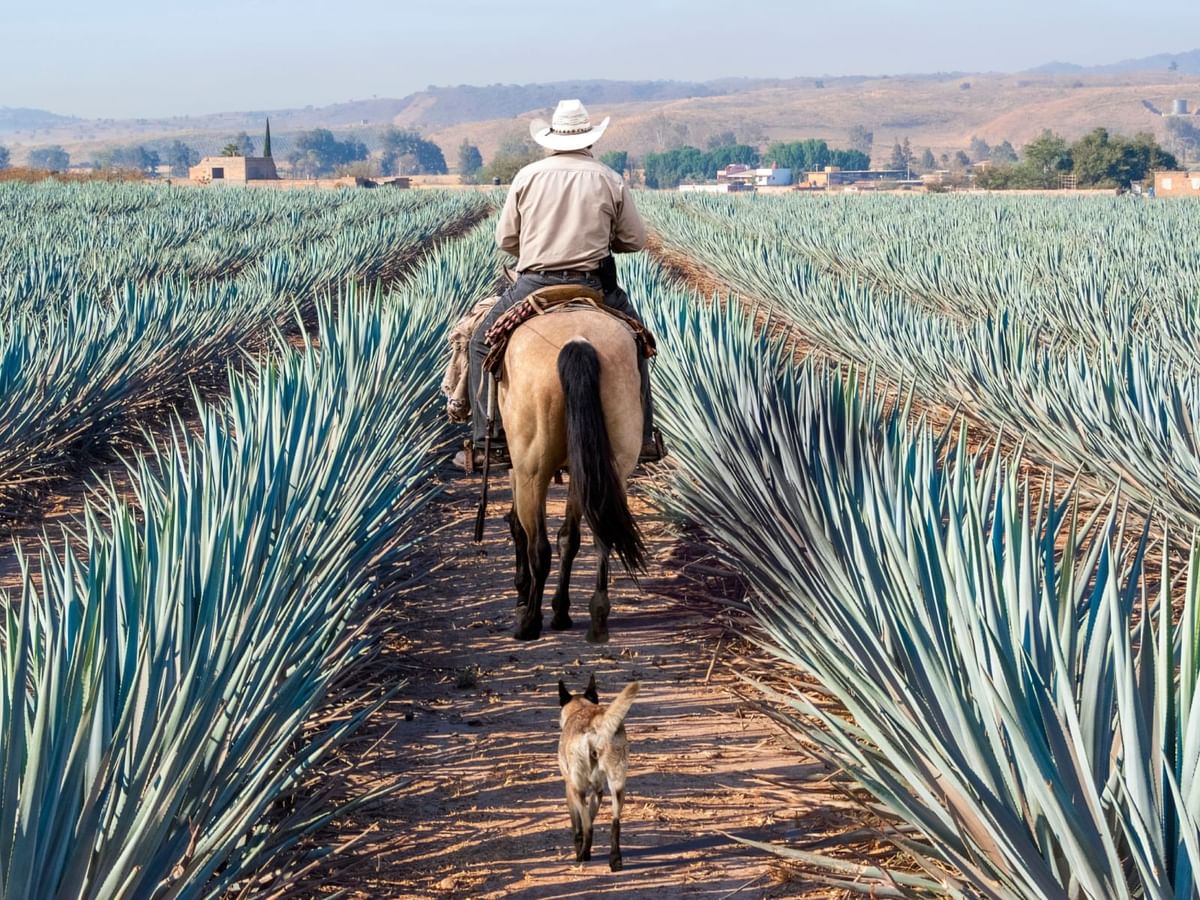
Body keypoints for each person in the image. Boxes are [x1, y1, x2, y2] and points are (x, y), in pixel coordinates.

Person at [457, 99, 660, 470]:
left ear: (551, 139)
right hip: (593, 285)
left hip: (534, 283)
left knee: (480, 342)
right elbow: (633, 241)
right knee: (638, 342)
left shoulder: (527, 176)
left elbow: (506, 240)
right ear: (589, 139)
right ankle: (643, 438)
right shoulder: (609, 178)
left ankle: (489, 438)